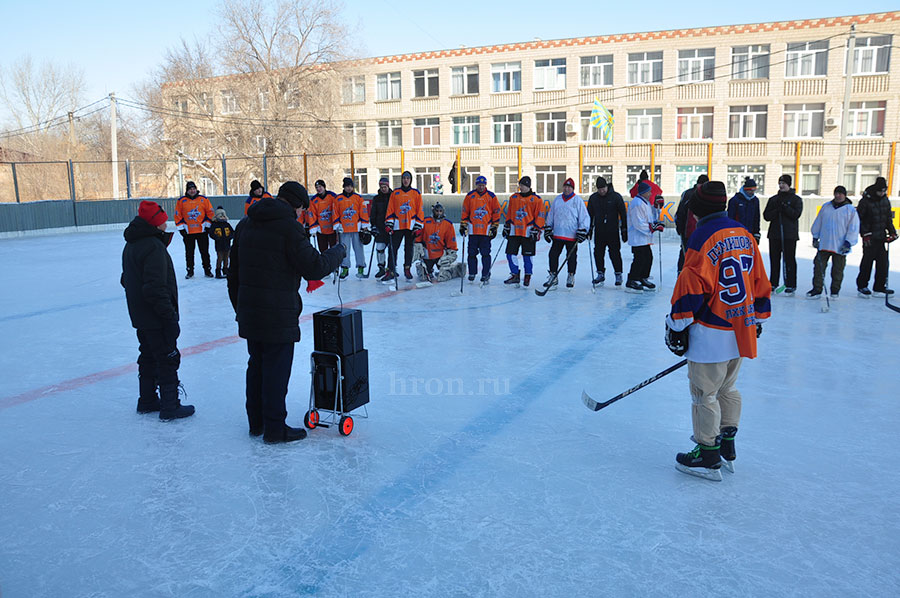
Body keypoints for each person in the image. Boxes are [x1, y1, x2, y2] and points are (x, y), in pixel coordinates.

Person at [664, 180, 771, 481]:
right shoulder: (743, 233)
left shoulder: (700, 237)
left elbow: (691, 288)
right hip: (741, 327)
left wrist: (676, 324)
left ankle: (707, 452)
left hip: (711, 332)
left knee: (704, 394)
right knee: (727, 387)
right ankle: (727, 444)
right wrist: (757, 318)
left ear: (695, 211)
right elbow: (759, 280)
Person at [227, 182, 345, 444]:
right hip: (277, 314)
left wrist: (240, 308)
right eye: (303, 209)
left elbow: (232, 273)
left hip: (250, 311)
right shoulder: (288, 227)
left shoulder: (246, 223)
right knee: (276, 370)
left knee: (256, 366)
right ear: (296, 205)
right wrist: (338, 251)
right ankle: (274, 428)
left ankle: (256, 423)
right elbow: (314, 267)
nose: (303, 214)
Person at [121, 200, 195, 420]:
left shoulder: (132, 244)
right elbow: (155, 287)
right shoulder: (152, 246)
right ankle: (170, 406)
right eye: (163, 221)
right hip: (155, 315)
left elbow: (127, 279)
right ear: (155, 223)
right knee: (166, 357)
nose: (166, 224)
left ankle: (147, 400)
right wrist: (169, 317)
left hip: (140, 314)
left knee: (148, 355)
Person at [806, 186, 859, 299]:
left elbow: (853, 227)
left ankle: (835, 290)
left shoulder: (850, 210)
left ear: (845, 195)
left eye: (841, 194)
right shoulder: (826, 207)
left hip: (840, 246)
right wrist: (815, 236)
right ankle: (817, 289)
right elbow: (818, 222)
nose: (838, 196)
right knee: (819, 268)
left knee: (838, 269)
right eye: (836, 193)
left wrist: (848, 242)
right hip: (824, 243)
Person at [542, 177, 590, 290]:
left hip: (571, 236)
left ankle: (571, 275)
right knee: (553, 255)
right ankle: (553, 276)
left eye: (569, 187)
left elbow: (584, 217)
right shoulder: (558, 200)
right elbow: (551, 215)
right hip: (558, 234)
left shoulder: (577, 201)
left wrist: (583, 230)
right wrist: (548, 227)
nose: (567, 188)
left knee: (572, 257)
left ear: (572, 189)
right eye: (565, 186)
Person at [856, 176, 898, 298]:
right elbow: (859, 219)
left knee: (883, 263)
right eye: (880, 191)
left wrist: (892, 232)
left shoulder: (885, 200)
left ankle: (879, 287)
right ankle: (862, 286)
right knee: (867, 262)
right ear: (875, 190)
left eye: (884, 191)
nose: (882, 193)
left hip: (881, 237)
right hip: (869, 237)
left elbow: (887, 219)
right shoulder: (865, 201)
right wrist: (865, 234)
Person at [763, 174, 803, 296]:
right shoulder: (774, 199)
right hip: (775, 235)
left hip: (789, 235)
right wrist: (777, 210)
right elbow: (766, 216)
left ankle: (790, 283)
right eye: (780, 183)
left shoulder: (796, 199)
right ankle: (773, 282)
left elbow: (796, 214)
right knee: (774, 260)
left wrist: (785, 207)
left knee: (789, 260)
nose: (781, 185)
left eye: (784, 183)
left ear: (789, 184)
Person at [503, 176, 544, 288]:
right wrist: (507, 225)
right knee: (510, 254)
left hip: (528, 232)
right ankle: (515, 274)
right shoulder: (513, 198)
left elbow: (540, 216)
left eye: (524, 185)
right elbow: (509, 213)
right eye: (521, 185)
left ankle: (527, 275)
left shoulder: (536, 199)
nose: (522, 187)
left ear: (529, 186)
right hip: (514, 232)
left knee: (527, 256)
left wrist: (537, 229)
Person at [384, 171, 425, 283]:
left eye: (408, 178)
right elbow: (390, 209)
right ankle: (391, 270)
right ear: (401, 179)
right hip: (397, 226)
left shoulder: (416, 193)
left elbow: (420, 211)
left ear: (410, 180)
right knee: (393, 248)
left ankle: (407, 268)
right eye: (404, 178)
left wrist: (418, 226)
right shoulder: (395, 193)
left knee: (409, 249)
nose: (406, 180)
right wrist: (389, 224)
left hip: (410, 226)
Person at [587, 176, 627, 287]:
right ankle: (600, 273)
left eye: (603, 188)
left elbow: (623, 213)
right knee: (598, 253)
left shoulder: (616, 197)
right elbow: (589, 215)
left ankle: (618, 274)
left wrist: (624, 229)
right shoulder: (593, 198)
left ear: (607, 186)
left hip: (612, 231)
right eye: (599, 189)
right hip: (599, 231)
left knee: (614, 253)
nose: (602, 191)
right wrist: (589, 229)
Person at [460, 175, 501, 283]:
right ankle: (472, 272)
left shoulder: (491, 196)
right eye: (479, 185)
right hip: (473, 230)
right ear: (476, 185)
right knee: (472, 253)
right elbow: (465, 211)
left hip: (486, 231)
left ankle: (486, 273)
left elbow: (496, 212)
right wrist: (463, 225)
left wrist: (494, 227)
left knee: (485, 253)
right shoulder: (470, 196)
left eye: (483, 185)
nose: (481, 187)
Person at [625, 181, 664, 293]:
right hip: (638, 237)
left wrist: (657, 207)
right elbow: (638, 222)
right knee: (640, 259)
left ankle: (642, 277)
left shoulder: (645, 202)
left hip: (645, 238)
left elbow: (651, 216)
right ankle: (632, 279)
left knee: (648, 258)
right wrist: (651, 228)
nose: (651, 193)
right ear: (644, 192)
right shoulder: (637, 203)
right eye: (649, 192)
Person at [174, 181, 215, 278]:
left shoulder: (203, 199)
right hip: (188, 232)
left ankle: (207, 269)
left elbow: (210, 212)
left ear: (196, 189)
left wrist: (208, 225)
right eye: (190, 189)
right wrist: (181, 229)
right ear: (187, 190)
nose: (192, 191)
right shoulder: (181, 201)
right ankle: (190, 270)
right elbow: (177, 215)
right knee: (189, 253)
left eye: (193, 188)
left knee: (204, 252)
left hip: (202, 231)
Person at [414, 203, 465, 282]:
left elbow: (451, 242)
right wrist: (418, 248)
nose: (438, 213)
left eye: (440, 211)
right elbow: (418, 239)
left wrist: (451, 252)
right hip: (427, 254)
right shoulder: (425, 221)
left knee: (443, 277)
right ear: (433, 211)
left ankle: (456, 269)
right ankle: (424, 268)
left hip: (441, 255)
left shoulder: (447, 224)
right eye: (437, 211)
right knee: (423, 277)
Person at [333, 177, 370, 280]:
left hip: (356, 228)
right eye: (346, 186)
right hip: (344, 229)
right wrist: (337, 225)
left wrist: (364, 225)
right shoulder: (338, 198)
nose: (348, 188)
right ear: (343, 187)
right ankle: (345, 268)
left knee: (359, 249)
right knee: (344, 250)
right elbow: (335, 213)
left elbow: (363, 212)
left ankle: (361, 268)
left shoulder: (358, 198)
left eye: (350, 186)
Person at [675, 175, 709, 273]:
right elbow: (680, 212)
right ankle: (682, 273)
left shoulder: (707, 195)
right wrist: (679, 227)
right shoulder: (688, 194)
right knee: (686, 252)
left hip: (701, 231)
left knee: (698, 253)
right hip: (688, 231)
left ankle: (694, 273)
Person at [370, 177, 392, 279]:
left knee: (392, 249)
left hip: (391, 226)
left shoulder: (393, 196)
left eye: (385, 187)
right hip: (380, 227)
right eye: (382, 187)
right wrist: (373, 226)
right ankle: (381, 267)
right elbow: (373, 213)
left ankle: (391, 269)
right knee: (380, 248)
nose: (383, 189)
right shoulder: (376, 198)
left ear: (388, 186)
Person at [307, 179, 338, 252]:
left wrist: (337, 222)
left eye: (320, 186)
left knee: (334, 250)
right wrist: (314, 227)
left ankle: (334, 263)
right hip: (321, 230)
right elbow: (312, 214)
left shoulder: (332, 196)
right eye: (316, 187)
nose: (318, 189)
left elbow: (337, 208)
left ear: (324, 187)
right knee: (323, 250)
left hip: (332, 229)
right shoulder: (314, 200)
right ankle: (324, 263)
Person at [727, 178, 761, 243]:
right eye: (750, 190)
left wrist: (756, 233)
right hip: (737, 233)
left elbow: (756, 218)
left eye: (754, 190)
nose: (752, 192)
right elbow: (730, 217)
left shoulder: (755, 201)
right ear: (745, 189)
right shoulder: (735, 200)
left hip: (750, 233)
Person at [208, 206, 235, 279]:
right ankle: (218, 271)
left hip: (227, 244)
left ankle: (225, 270)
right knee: (220, 258)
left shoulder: (227, 224)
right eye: (220, 216)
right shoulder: (214, 225)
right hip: (219, 245)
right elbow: (211, 233)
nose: (222, 217)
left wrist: (230, 236)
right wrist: (217, 238)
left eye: (223, 216)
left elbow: (233, 232)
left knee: (226, 258)